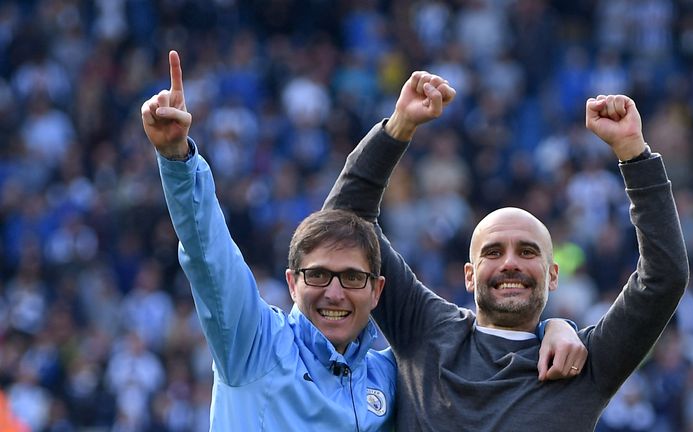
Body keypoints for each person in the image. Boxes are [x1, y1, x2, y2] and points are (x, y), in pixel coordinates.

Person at [140, 51, 585, 431]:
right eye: (319, 275)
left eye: (352, 278)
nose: (335, 292)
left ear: (377, 291)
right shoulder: (253, 343)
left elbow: (482, 346)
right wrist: (177, 160)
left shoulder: (390, 378)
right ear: (292, 283)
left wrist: (550, 326)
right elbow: (209, 255)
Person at [325, 72, 690, 430]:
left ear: (553, 274)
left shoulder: (583, 363)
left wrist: (634, 154)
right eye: (494, 252)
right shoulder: (426, 330)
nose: (511, 263)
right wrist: (398, 127)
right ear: (469, 275)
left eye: (528, 252)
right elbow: (344, 225)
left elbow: (663, 278)